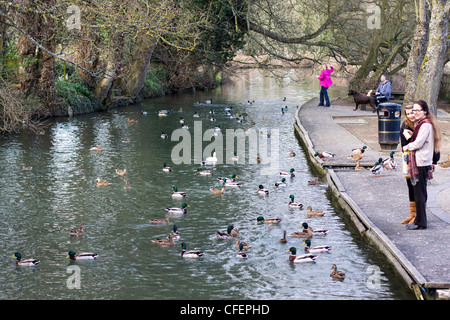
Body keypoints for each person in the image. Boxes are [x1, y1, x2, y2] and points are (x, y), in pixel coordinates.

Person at [402, 100, 441, 230]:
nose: (415, 113)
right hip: (420, 161)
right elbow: (421, 140)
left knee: (419, 193)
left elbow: (418, 144)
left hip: (421, 162)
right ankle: (419, 220)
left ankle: (420, 223)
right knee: (419, 192)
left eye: (418, 110)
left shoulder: (425, 125)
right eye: (414, 111)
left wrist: (406, 146)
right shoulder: (422, 124)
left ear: (424, 111)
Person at [400, 104, 417, 224]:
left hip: (419, 159)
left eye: (412, 113)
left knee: (419, 187)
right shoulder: (405, 125)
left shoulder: (421, 125)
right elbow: (403, 146)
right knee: (410, 185)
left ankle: (419, 214)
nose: (410, 116)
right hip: (407, 158)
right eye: (408, 114)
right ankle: (413, 214)